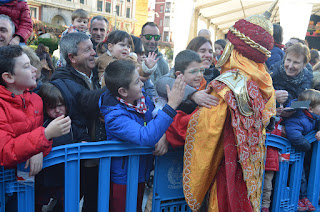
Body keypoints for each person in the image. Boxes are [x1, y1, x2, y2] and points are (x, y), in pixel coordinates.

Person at [182, 3, 277, 211]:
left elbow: (208, 129)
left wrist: (172, 124)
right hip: (249, 172)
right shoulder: (261, 85)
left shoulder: (226, 85)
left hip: (226, 170)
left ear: (235, 49)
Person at [99, 59, 185, 212]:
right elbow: (145, 136)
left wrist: (164, 135)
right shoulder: (114, 116)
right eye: (137, 82)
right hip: (124, 178)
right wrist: (171, 105)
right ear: (123, 92)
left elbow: (155, 122)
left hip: (140, 172)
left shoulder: (140, 99)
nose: (142, 84)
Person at [51, 32, 107, 211]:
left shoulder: (98, 73)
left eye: (93, 48)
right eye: (88, 50)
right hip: (76, 155)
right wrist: (114, 84)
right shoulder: (61, 78)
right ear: (72, 57)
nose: (94, 53)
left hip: (98, 153)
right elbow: (85, 101)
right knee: (67, 203)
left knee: (94, 202)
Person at [36, 82, 91, 211]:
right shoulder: (43, 126)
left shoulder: (72, 124)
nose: (57, 110)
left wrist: (84, 143)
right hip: (46, 181)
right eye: (52, 107)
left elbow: (84, 136)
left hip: (68, 180)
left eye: (60, 105)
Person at [156, 36, 219, 110]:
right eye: (202, 51)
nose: (208, 55)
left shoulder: (217, 75)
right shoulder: (177, 72)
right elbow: (161, 83)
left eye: (210, 52)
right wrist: (192, 94)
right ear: (192, 52)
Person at [284, 89, 320, 211]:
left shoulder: (312, 116)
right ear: (310, 109)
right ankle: (297, 199)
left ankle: (304, 197)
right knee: (296, 177)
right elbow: (294, 134)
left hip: (302, 155)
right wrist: (308, 146)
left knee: (304, 175)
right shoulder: (297, 116)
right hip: (291, 155)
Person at [270, 43, 312, 108]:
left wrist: (290, 108)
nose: (290, 66)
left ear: (304, 65)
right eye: (288, 60)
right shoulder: (274, 72)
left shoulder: (307, 78)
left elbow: (306, 103)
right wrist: (273, 97)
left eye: (296, 62)